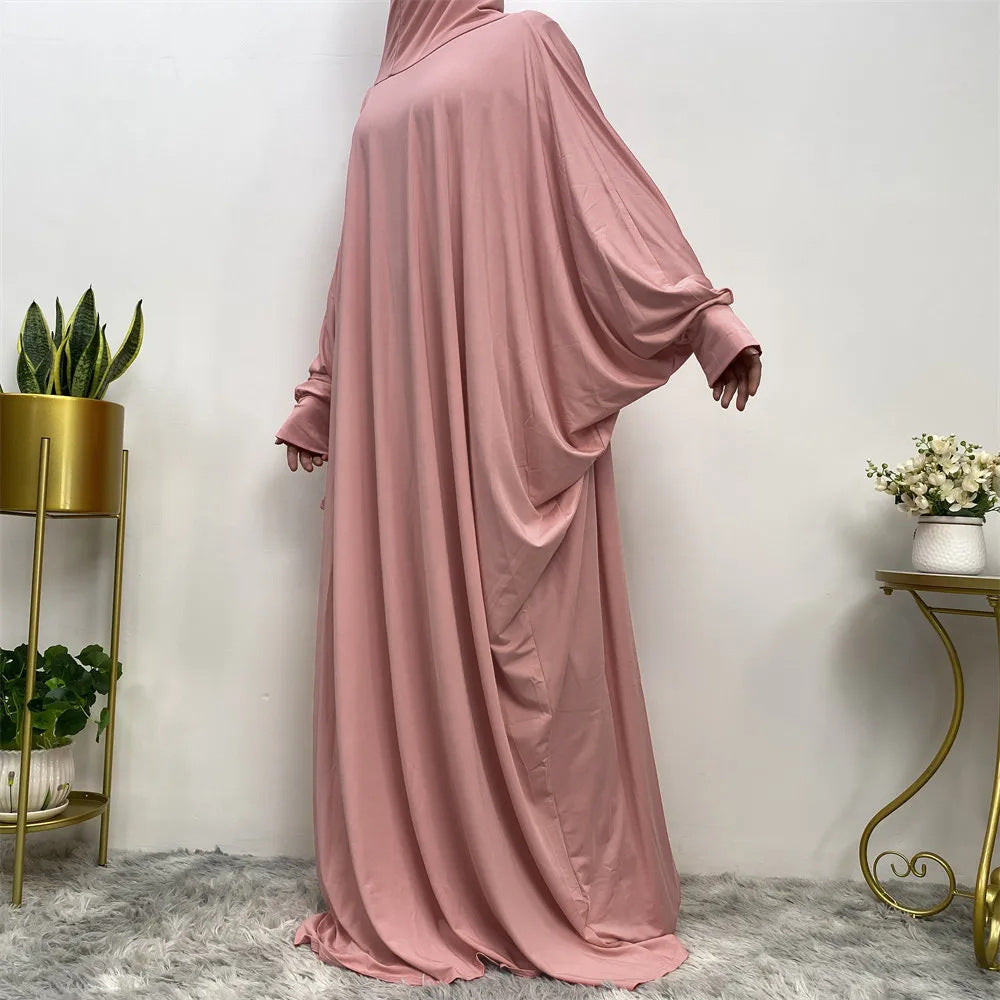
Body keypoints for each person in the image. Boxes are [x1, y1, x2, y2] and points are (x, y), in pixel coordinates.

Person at [275, 0, 762, 989]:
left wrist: (699, 313)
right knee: (412, 623)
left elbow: (599, 192)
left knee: (526, 630)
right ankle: (426, 877)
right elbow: (359, 254)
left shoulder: (522, 42)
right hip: (398, 418)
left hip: (493, 401)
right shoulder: (387, 84)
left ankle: (566, 891)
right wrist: (324, 395)